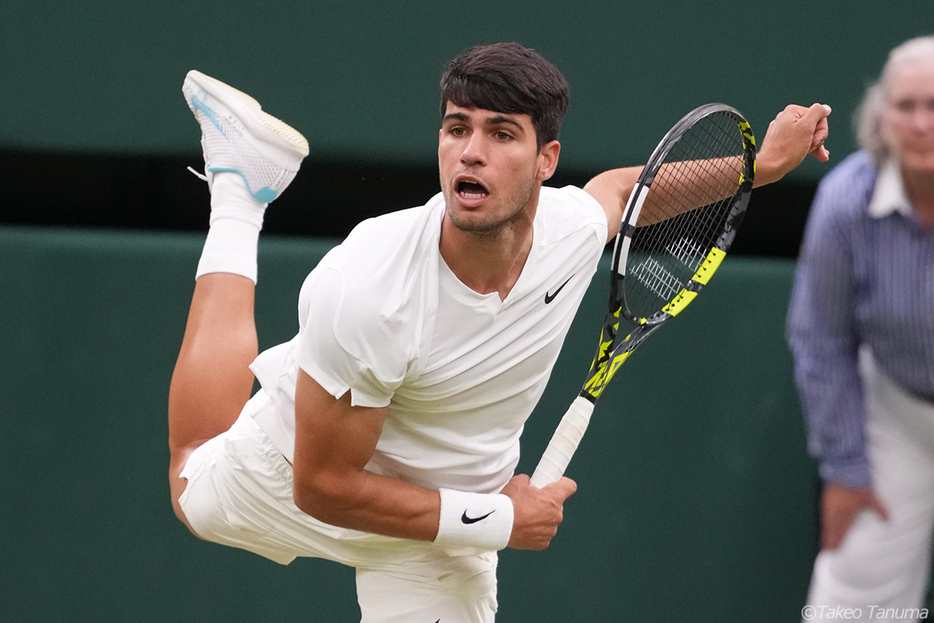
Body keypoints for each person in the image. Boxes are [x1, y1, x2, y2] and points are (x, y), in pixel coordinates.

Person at [168, 42, 831, 622]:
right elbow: (323, 485)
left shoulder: (567, 235)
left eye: (501, 134)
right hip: (294, 479)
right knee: (192, 474)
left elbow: (628, 192)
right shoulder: (368, 288)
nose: (472, 153)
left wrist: (761, 168)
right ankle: (239, 190)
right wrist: (502, 519)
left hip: (441, 536)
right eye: (457, 129)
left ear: (547, 159)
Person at [788, 36, 934, 622]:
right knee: (855, 591)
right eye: (906, 106)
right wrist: (846, 469)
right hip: (895, 413)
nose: (921, 123)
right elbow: (821, 341)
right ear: (881, 115)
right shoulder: (844, 200)